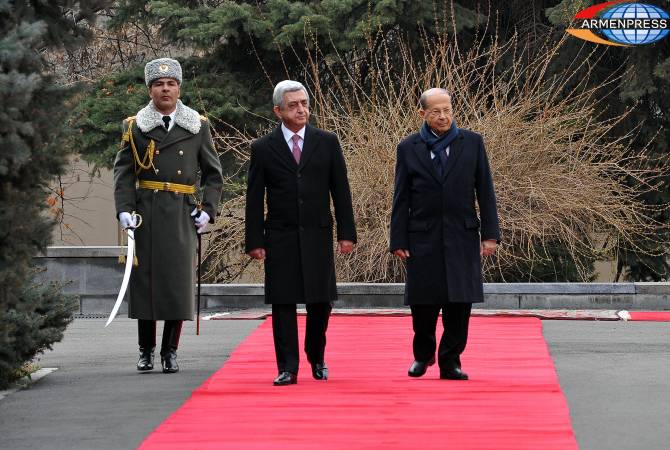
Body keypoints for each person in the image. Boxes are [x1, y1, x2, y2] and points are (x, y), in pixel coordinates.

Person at [113, 58, 223, 373]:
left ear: (179, 88)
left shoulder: (197, 125)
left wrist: (208, 211)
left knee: (177, 284)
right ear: (150, 89)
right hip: (145, 212)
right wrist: (124, 210)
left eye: (171, 83)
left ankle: (170, 351)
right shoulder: (135, 126)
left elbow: (214, 175)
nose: (165, 89)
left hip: (181, 213)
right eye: (159, 84)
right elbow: (123, 173)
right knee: (145, 283)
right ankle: (145, 350)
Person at [245, 80, 356, 386]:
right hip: (279, 235)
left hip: (318, 233)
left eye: (304, 103)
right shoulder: (263, 148)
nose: (301, 109)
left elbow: (341, 190)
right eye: (293, 105)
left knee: (321, 302)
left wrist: (347, 232)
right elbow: (254, 197)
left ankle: (316, 356)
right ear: (278, 110)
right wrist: (254, 239)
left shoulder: (327, 142)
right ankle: (287, 367)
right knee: (283, 303)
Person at [389, 88, 500, 380]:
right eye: (436, 111)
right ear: (422, 114)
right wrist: (398, 238)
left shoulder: (472, 143)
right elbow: (401, 197)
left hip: (462, 235)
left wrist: (490, 234)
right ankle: (423, 356)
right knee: (423, 304)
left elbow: (485, 192)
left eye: (447, 109)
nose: (443, 116)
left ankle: (451, 360)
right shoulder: (408, 147)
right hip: (422, 236)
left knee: (459, 303)